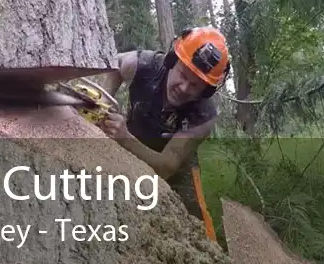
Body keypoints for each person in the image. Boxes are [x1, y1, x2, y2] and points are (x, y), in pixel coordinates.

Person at [96, 27, 231, 242]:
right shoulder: (147, 64)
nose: (184, 88)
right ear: (171, 61)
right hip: (133, 141)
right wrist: (102, 102)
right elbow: (116, 65)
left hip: (175, 168)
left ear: (206, 91)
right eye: (183, 75)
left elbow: (167, 166)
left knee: (196, 223)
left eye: (195, 86)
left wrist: (124, 138)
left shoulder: (203, 116)